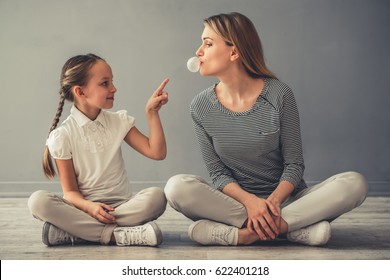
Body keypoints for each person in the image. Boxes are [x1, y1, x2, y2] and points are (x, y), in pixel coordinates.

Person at [164, 12, 368, 246]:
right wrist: (251, 203)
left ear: (234, 52)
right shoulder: (199, 106)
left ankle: (249, 232)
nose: (198, 51)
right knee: (176, 188)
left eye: (208, 44)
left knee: (355, 183)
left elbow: (294, 165)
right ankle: (292, 229)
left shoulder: (279, 94)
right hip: (236, 205)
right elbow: (218, 174)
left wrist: (271, 204)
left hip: (288, 202)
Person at [28, 54, 169, 247]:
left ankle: (78, 233)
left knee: (157, 197)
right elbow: (69, 193)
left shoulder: (119, 121)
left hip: (122, 207)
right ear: (80, 92)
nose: (114, 88)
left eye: (112, 81)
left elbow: (157, 152)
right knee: (37, 201)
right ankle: (117, 235)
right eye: (105, 83)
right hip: (83, 209)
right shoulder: (63, 135)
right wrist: (90, 207)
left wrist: (152, 113)